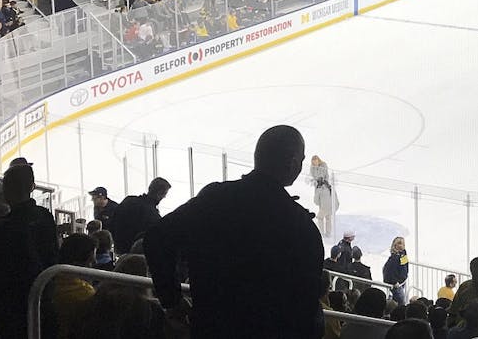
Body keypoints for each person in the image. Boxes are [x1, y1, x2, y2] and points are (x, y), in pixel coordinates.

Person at [146, 125, 324, 339]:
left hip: (210, 329)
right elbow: (306, 309)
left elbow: (157, 238)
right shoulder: (300, 226)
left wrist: (172, 300)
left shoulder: (214, 199)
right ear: (293, 162)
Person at [0, 162, 59, 339]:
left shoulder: (4, 226)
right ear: (32, 187)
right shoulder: (44, 216)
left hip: (13, 305)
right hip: (44, 295)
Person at [109, 176, 170, 253]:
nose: (164, 197)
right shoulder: (153, 215)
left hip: (119, 250)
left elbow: (113, 222)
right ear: (159, 194)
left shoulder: (128, 201)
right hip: (137, 255)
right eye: (164, 194)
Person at [309, 154, 339, 237]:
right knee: (328, 217)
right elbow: (311, 178)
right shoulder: (312, 169)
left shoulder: (323, 166)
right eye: (313, 162)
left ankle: (322, 233)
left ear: (318, 160)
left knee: (320, 217)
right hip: (325, 196)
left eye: (316, 161)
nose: (315, 163)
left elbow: (326, 176)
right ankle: (328, 233)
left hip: (324, 194)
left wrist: (320, 182)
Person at [383, 236, 410, 306]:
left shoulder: (403, 255)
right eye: (400, 243)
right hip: (396, 284)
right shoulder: (394, 257)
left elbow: (405, 267)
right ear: (395, 245)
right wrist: (394, 282)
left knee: (398, 301)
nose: (402, 246)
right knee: (401, 302)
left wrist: (405, 276)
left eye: (403, 244)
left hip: (402, 282)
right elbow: (388, 271)